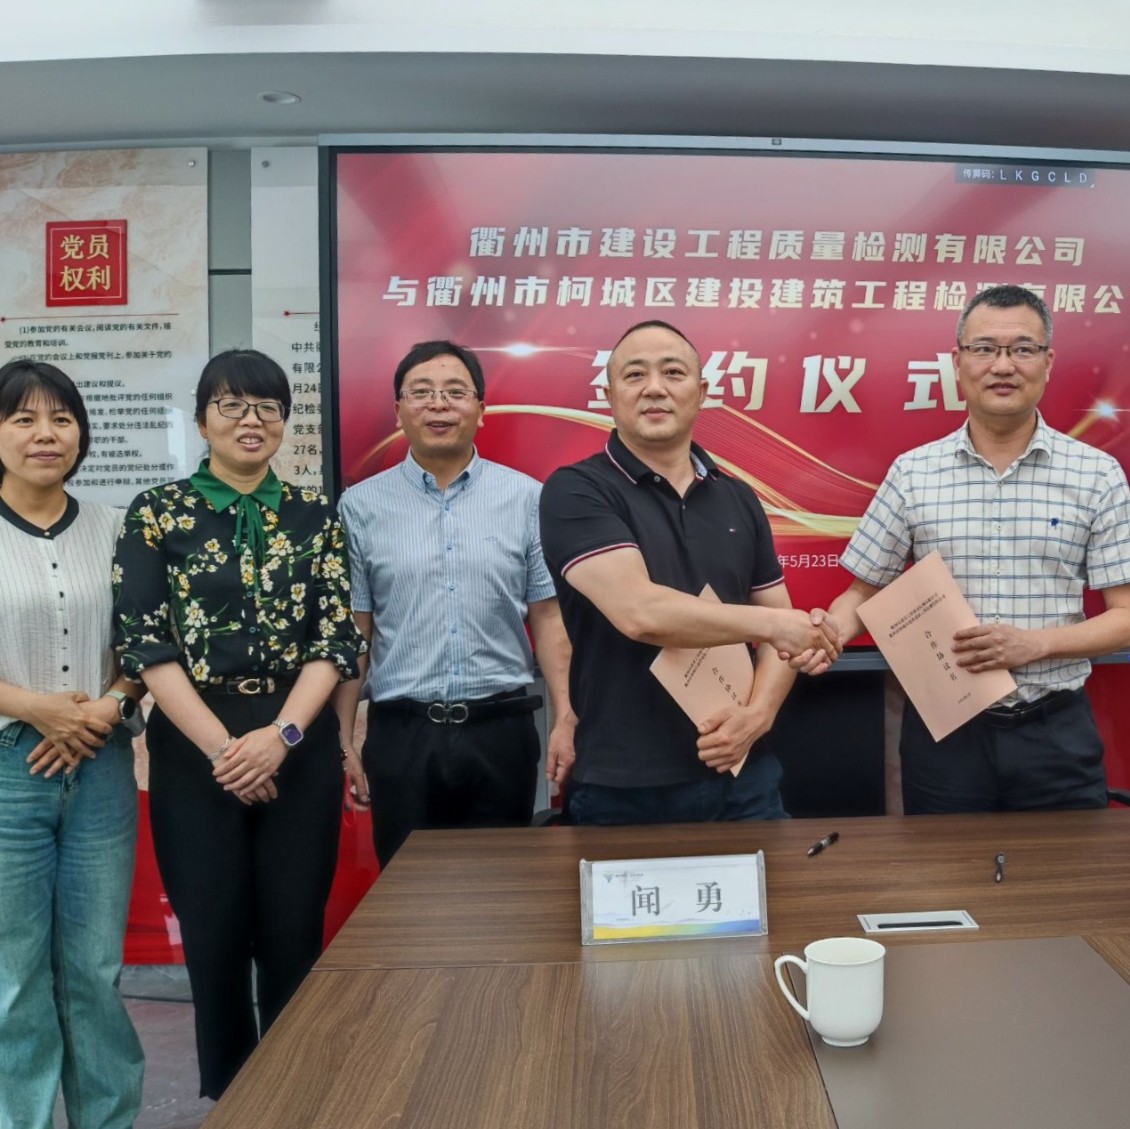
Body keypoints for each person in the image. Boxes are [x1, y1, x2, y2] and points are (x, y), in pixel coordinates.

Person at [113, 350, 364, 1098]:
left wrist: (280, 739)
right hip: (198, 743)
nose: (251, 420)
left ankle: (292, 1093)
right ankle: (231, 1097)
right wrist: (229, 751)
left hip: (296, 735)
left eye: (267, 407)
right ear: (202, 421)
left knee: (293, 929)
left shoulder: (317, 514)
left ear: (285, 421)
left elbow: (335, 641)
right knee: (214, 933)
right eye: (231, 405)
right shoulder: (156, 512)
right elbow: (144, 644)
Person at [814, 284, 1130, 814]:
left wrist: (1033, 645)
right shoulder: (913, 472)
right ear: (958, 362)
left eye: (1022, 349)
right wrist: (824, 635)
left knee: (1065, 868)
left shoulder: (1097, 475)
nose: (1003, 365)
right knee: (945, 866)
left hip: (1055, 734)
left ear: (1047, 362)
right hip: (946, 734)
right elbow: (863, 591)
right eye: (985, 349)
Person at [538, 320, 837, 825]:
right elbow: (640, 613)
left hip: (743, 779)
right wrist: (775, 626)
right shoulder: (576, 490)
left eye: (673, 373)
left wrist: (757, 717)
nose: (654, 388)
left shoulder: (738, 497)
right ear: (609, 396)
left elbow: (781, 634)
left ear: (701, 393)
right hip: (623, 787)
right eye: (635, 375)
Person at [334, 341, 573, 867]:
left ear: (481, 410)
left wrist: (565, 717)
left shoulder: (527, 498)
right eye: (421, 392)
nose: (438, 405)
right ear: (399, 411)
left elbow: (548, 617)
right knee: (406, 892)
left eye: (455, 392)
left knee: (501, 888)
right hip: (401, 734)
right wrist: (345, 737)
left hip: (502, 730)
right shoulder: (360, 506)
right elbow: (357, 631)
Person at [0, 359, 144, 1129]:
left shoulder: (116, 527)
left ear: (82, 433)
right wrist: (38, 708)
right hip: (7, 767)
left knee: (93, 969)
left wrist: (107, 707)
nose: (45, 434)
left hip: (100, 764)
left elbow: (150, 640)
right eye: (23, 418)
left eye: (60, 418)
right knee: (14, 975)